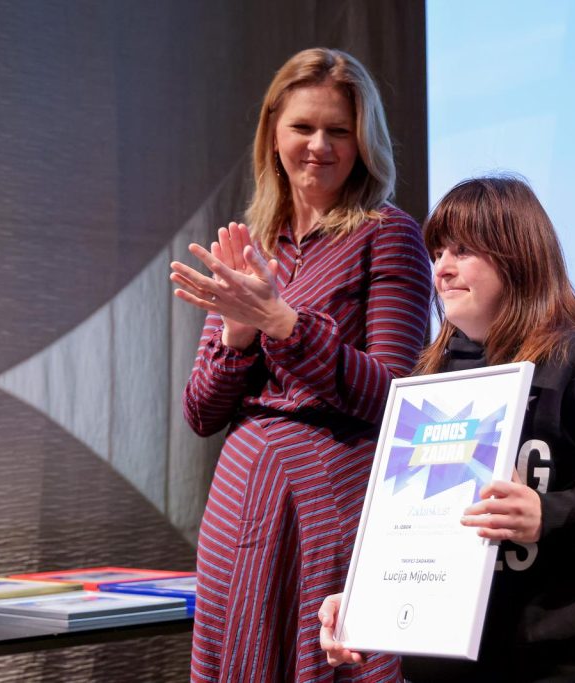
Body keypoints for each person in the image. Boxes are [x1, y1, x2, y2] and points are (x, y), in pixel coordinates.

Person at [319, 175, 575, 682]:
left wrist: (550, 513)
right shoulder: (430, 380)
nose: (442, 268)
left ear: (517, 254)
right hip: (442, 670)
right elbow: (415, 524)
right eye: (437, 252)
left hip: (559, 668)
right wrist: (368, 600)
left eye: (462, 250)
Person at [170, 48, 431, 683]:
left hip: (326, 505)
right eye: (303, 127)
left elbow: (397, 396)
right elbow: (201, 412)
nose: (319, 146)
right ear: (272, 133)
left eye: (339, 130)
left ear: (364, 140)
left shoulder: (388, 234)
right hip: (238, 508)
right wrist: (238, 335)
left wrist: (284, 324)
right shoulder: (251, 244)